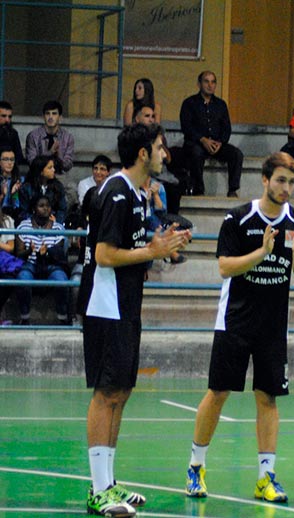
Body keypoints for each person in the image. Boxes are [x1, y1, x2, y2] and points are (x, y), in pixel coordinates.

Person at [184, 152, 294, 502]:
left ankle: (266, 477)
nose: (287, 188)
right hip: (234, 322)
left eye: (292, 182)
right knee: (219, 392)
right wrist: (261, 252)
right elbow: (225, 267)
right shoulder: (238, 219)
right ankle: (196, 466)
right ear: (266, 180)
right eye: (281, 180)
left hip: (273, 327)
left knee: (268, 398)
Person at [78, 123, 191, 517]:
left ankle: (109, 483)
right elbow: (106, 254)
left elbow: (136, 249)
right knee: (106, 392)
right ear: (143, 153)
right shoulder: (116, 192)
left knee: (121, 392)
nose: (165, 154)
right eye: (160, 147)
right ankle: (97, 490)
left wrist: (164, 247)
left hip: (126, 304)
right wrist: (150, 252)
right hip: (104, 305)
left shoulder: (139, 195)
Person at [180, 71, 243, 197]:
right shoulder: (189, 103)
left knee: (236, 154)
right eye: (206, 81)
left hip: (216, 143)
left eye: (213, 82)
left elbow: (226, 128)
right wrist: (203, 140)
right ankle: (198, 190)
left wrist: (220, 142)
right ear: (199, 84)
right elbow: (186, 127)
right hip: (196, 143)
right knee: (196, 153)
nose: (210, 85)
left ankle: (232, 190)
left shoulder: (221, 104)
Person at [13, 195, 69, 325]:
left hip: (51, 265)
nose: (46, 209)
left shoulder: (58, 228)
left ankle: (63, 317)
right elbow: (19, 253)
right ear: (34, 209)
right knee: (23, 279)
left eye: (48, 206)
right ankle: (25, 317)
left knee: (62, 280)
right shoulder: (23, 226)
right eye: (41, 206)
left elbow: (59, 254)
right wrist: (30, 251)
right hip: (30, 264)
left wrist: (47, 252)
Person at [25, 100, 75, 172]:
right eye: (47, 114)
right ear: (43, 117)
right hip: (39, 176)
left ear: (60, 117)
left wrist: (58, 156)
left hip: (60, 177)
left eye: (54, 114)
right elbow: (32, 162)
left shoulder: (67, 137)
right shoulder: (33, 136)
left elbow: (68, 165)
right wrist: (50, 152)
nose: (50, 117)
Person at [18, 154, 68, 224]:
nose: (53, 170)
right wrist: (36, 220)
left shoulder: (58, 187)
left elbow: (62, 209)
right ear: (41, 171)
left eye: (53, 167)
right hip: (31, 224)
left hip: (53, 223)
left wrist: (56, 220)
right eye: (50, 168)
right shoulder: (26, 188)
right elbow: (23, 211)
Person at [0, 100, 25, 164]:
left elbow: (19, 156)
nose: (7, 120)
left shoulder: (13, 133)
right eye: (3, 116)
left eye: (9, 117)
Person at [0, 146, 21, 218]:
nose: (9, 163)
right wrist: (2, 195)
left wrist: (14, 194)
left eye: (12, 160)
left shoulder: (20, 180)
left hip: (12, 216)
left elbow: (18, 209)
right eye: (6, 159)